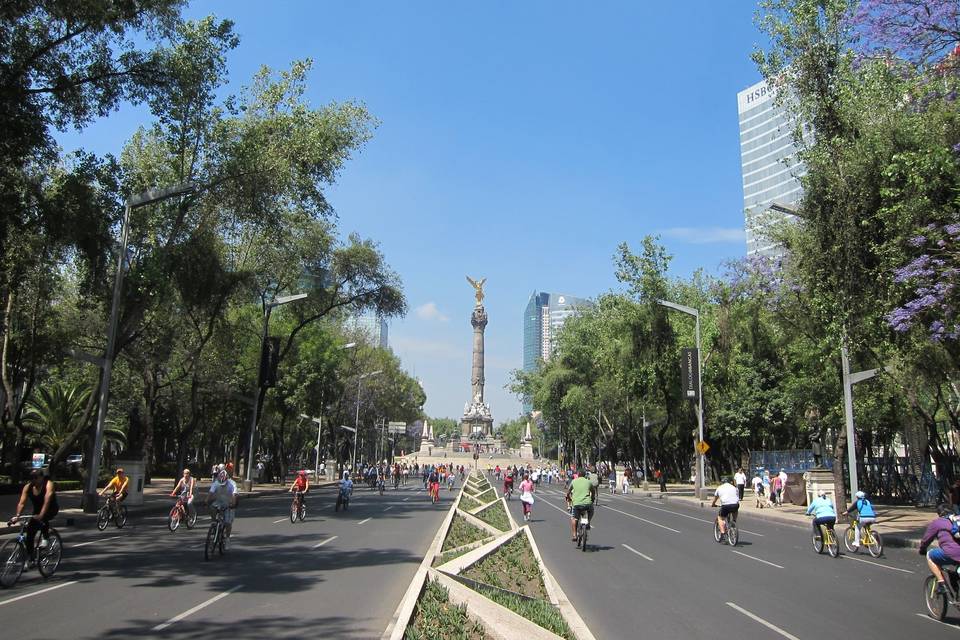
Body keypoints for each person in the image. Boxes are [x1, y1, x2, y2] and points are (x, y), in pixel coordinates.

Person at [9, 468, 59, 562]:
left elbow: (47, 501)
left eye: (35, 477)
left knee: (43, 518)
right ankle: (31, 558)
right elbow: (22, 503)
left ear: (41, 477)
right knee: (30, 534)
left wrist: (41, 515)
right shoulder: (28, 487)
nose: (33, 480)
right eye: (31, 478)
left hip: (51, 508)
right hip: (37, 510)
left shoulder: (48, 484)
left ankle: (46, 538)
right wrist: (17, 515)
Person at [920, 504, 960, 594]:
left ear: (939, 513)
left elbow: (926, 540)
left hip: (951, 552)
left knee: (930, 555)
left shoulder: (937, 523)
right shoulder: (958, 520)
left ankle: (942, 584)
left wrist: (922, 549)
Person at [208, 467, 238, 545]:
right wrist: (206, 501)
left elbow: (234, 495)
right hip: (218, 502)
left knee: (228, 523)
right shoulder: (215, 483)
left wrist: (233, 504)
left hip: (229, 503)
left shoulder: (232, 484)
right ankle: (214, 522)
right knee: (212, 507)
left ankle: (227, 538)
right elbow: (210, 493)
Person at [565, 467, 596, 541]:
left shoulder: (574, 481)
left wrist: (568, 498)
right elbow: (593, 491)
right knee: (591, 511)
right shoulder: (588, 482)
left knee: (574, 518)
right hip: (587, 503)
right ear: (585, 475)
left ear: (578, 474)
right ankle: (588, 522)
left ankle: (574, 535)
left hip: (576, 504)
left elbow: (568, 492)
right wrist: (592, 498)